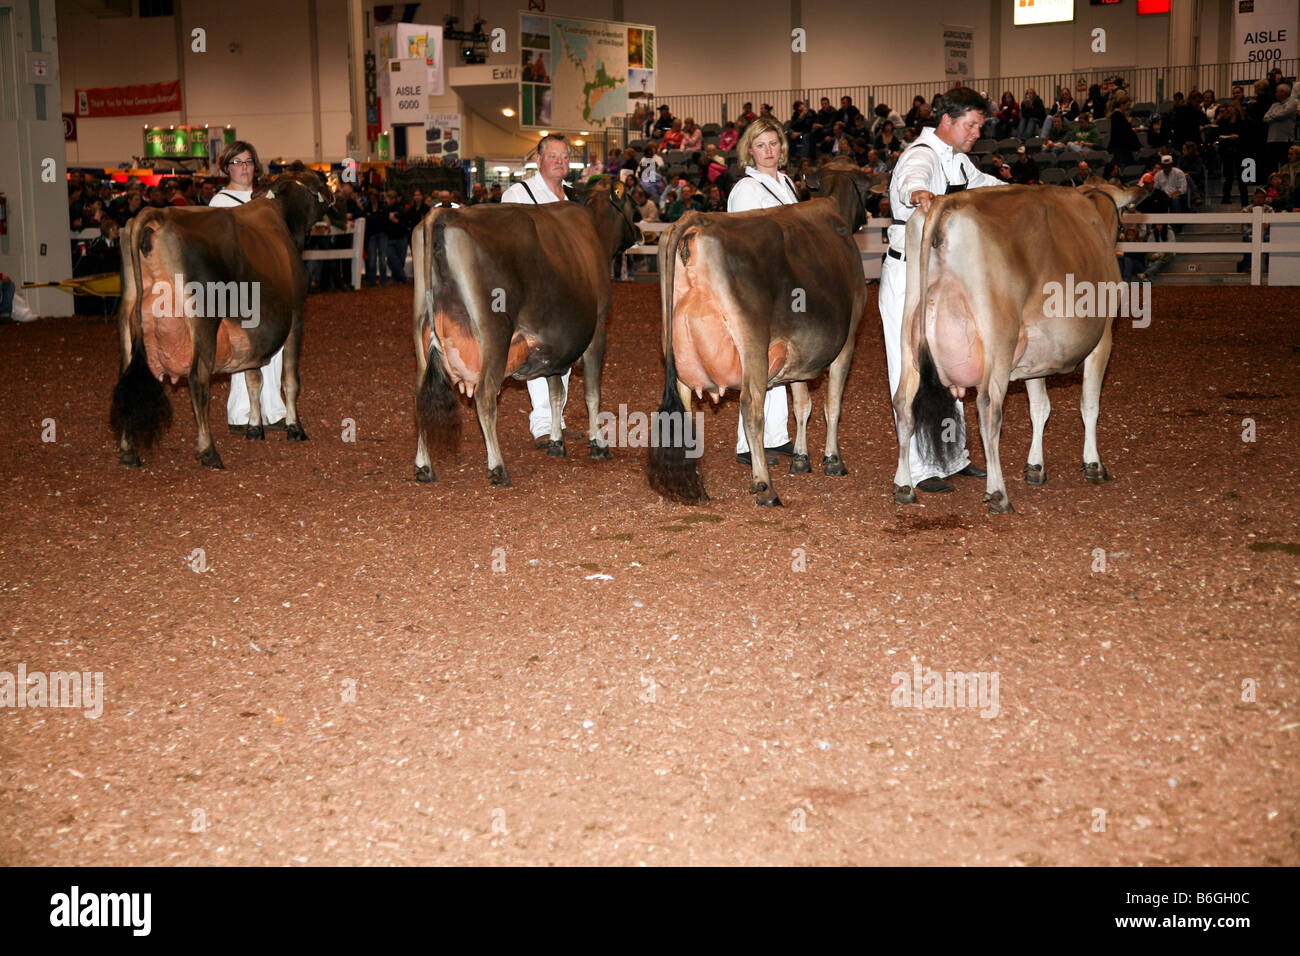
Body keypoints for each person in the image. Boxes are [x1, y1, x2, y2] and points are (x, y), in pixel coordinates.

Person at [883, 87, 1005, 493]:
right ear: (947, 121)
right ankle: (919, 467)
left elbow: (989, 185)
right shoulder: (922, 154)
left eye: (979, 126)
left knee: (952, 362)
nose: (975, 133)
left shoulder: (959, 162)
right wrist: (917, 193)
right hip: (908, 276)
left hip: (942, 278)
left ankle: (952, 457)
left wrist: (1027, 194)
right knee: (913, 368)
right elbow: (910, 181)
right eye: (970, 125)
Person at [724, 115, 800, 467]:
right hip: (757, 284)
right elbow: (744, 244)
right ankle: (747, 442)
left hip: (784, 282)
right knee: (758, 361)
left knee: (779, 358)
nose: (768, 151)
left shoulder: (786, 183)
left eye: (773, 144)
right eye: (760, 145)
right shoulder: (746, 189)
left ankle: (776, 436)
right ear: (749, 151)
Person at [500, 134, 580, 447]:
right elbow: (508, 242)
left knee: (565, 353)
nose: (560, 162)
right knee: (538, 351)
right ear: (538, 159)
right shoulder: (518, 194)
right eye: (553, 156)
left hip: (568, 288)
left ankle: (556, 420)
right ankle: (543, 424)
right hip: (532, 288)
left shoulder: (572, 198)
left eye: (564, 156)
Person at [211, 140, 288, 432]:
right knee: (245, 346)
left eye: (248, 162)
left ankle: (273, 410)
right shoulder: (219, 203)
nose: (243, 168)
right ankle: (241, 413)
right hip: (239, 282)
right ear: (226, 168)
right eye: (237, 163)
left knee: (275, 345)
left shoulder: (267, 200)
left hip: (270, 283)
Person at [1107, 91, 1141, 167]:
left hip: (1122, 145)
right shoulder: (1117, 115)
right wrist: (1128, 123)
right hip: (1120, 146)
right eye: (1128, 105)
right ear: (1122, 105)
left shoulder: (1119, 114)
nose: (1128, 107)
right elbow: (1122, 131)